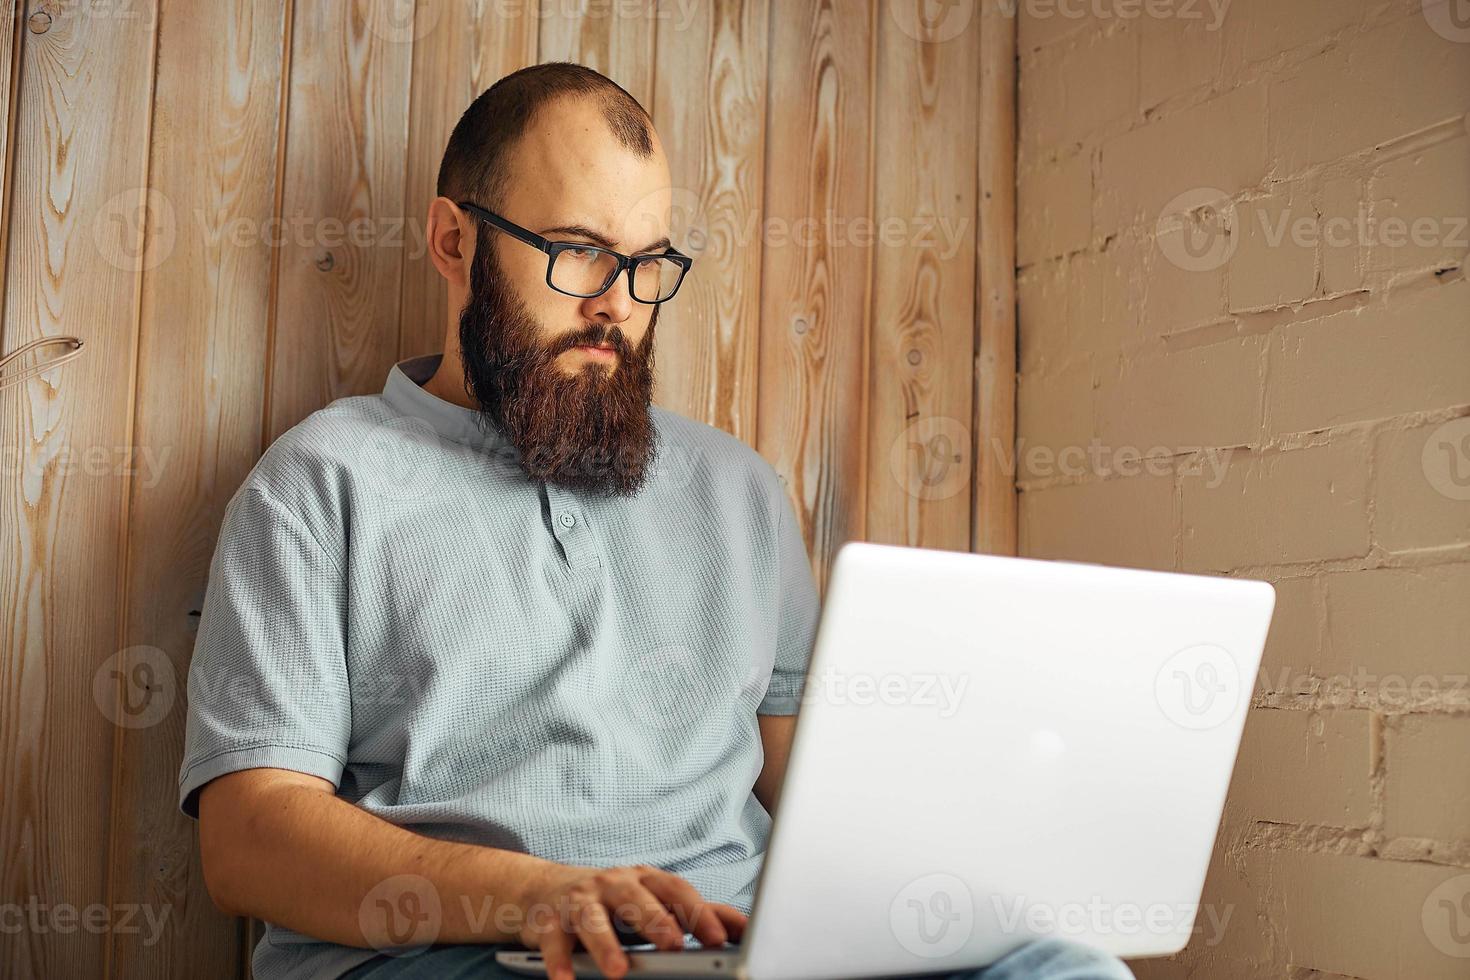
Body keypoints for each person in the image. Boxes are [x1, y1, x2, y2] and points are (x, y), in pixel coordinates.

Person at [178, 62, 1133, 980]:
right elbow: (248, 838)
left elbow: (813, 799)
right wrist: (538, 895)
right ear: (453, 241)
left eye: (646, 263)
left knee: (1066, 969)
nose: (615, 303)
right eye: (577, 250)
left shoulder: (738, 493)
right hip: (455, 954)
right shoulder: (320, 483)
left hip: (732, 952)